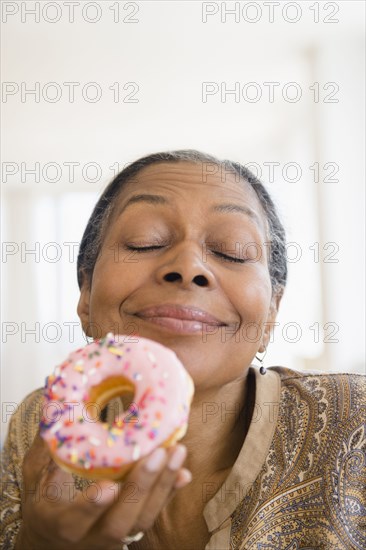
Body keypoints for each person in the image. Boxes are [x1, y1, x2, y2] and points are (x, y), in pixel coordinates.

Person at [1, 150, 365, 550]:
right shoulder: (40, 424)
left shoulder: (354, 420)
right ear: (86, 295)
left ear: (272, 313)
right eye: (144, 242)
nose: (189, 265)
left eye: (232, 250)